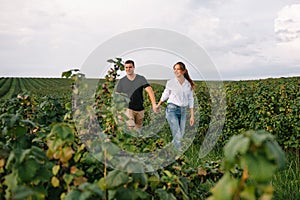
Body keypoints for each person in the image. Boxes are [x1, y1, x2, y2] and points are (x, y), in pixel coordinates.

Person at [157, 61, 195, 149]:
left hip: (183, 111)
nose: (176, 71)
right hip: (172, 110)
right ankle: (177, 157)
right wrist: (159, 105)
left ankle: (168, 151)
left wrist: (192, 116)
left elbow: (190, 99)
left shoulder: (188, 84)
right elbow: (165, 94)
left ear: (183, 71)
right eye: (175, 69)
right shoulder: (171, 82)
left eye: (178, 69)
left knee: (180, 136)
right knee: (177, 136)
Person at [115, 60, 157, 130]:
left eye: (130, 67)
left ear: (134, 67)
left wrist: (154, 105)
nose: (128, 69)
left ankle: (135, 140)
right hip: (128, 108)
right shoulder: (122, 81)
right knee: (131, 127)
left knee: (137, 131)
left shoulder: (140, 79)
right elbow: (117, 95)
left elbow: (149, 90)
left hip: (140, 109)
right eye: (126, 67)